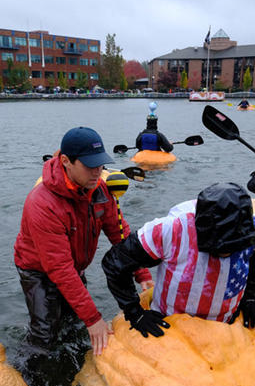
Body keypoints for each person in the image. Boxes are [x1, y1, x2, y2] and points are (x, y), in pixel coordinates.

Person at [14, 126, 153, 356]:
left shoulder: (100, 190)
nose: (98, 171)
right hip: (37, 270)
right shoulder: (42, 204)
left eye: (100, 164)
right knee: (45, 335)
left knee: (74, 325)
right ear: (66, 161)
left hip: (74, 264)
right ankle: (26, 374)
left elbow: (119, 234)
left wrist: (142, 274)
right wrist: (94, 319)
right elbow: (59, 268)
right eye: (90, 165)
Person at [102, 182, 255, 337]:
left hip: (224, 326)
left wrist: (250, 295)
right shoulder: (170, 231)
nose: (227, 253)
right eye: (222, 247)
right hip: (169, 323)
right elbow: (114, 263)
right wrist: (135, 313)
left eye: (234, 247)